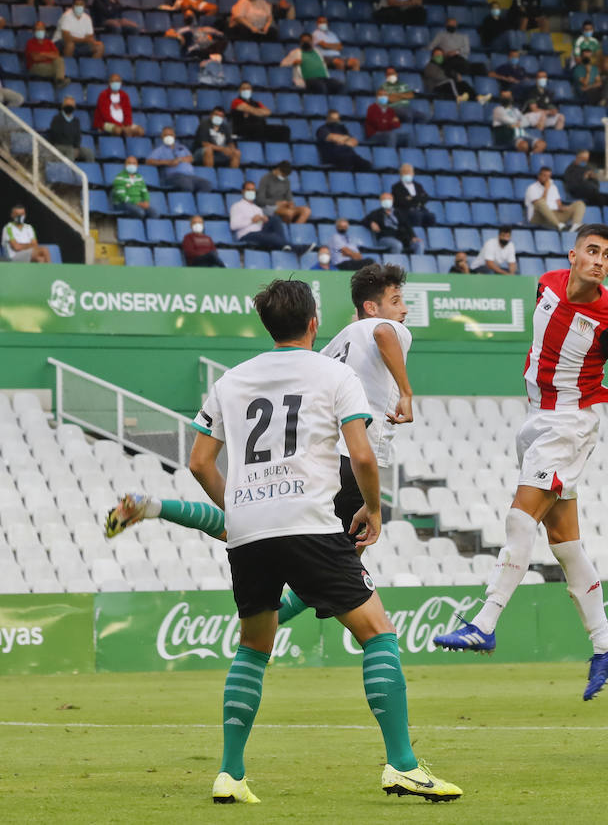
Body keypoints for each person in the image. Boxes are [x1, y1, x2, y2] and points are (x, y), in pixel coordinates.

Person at [181, 278, 460, 804]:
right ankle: (402, 765)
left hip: (249, 532)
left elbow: (198, 462)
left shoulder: (231, 380)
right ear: (314, 324)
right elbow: (361, 456)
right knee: (377, 633)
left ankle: (230, 774)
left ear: (266, 325)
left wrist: (239, 510)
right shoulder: (336, 374)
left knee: (253, 649)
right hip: (310, 521)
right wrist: (373, 509)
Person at [434, 226, 608, 702]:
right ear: (573, 254)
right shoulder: (546, 284)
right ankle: (606, 643)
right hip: (535, 417)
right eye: (592, 251)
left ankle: (485, 622)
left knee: (519, 517)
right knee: (566, 544)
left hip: (569, 424)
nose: (599, 260)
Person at [148, 126, 212, 193]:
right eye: (166, 135)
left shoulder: (182, 147)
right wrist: (168, 162)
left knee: (207, 185)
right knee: (187, 185)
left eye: (170, 135)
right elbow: (149, 161)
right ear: (162, 137)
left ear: (174, 136)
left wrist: (180, 159)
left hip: (190, 175)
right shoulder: (159, 150)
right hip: (174, 176)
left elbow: (191, 158)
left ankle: (198, 202)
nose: (168, 137)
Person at [230, 184, 289, 250]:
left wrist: (263, 221)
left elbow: (258, 225)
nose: (251, 192)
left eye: (252, 190)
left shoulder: (258, 209)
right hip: (246, 235)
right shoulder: (237, 206)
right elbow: (233, 226)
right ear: (243, 191)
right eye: (248, 190)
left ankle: (285, 245)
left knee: (275, 219)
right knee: (273, 236)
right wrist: (251, 220)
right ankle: (288, 246)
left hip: (259, 234)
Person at [45, 96, 92, 162]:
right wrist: (71, 147)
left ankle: (90, 171)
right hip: (59, 146)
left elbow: (78, 136)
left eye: (71, 105)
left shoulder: (76, 121)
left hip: (73, 147)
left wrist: (76, 147)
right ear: (63, 106)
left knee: (88, 152)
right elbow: (55, 136)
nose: (69, 107)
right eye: (68, 105)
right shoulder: (57, 119)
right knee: (70, 151)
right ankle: (68, 172)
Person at [390, 164, 435, 230]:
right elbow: (400, 201)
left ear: (413, 173)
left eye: (409, 172)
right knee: (417, 215)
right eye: (405, 172)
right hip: (405, 211)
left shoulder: (418, 185)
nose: (408, 174)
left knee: (431, 216)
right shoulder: (396, 187)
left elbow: (425, 197)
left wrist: (411, 198)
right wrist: (417, 199)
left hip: (420, 209)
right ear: (401, 174)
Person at [25, 23, 68, 88]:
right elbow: (36, 58)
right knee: (58, 69)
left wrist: (43, 54)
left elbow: (56, 55)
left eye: (42, 29)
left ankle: (59, 80)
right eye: (38, 29)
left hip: (50, 65)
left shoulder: (49, 42)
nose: (40, 31)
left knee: (59, 60)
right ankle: (60, 80)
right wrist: (49, 55)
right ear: (34, 31)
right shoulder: (30, 43)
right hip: (35, 67)